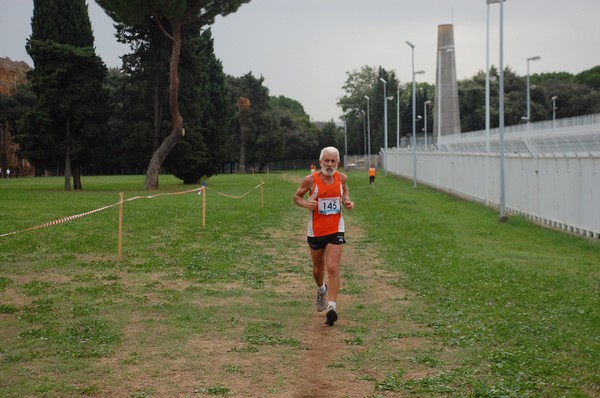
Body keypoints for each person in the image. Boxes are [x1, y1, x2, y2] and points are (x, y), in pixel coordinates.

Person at [293, 146, 355, 326]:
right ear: (320, 162)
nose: (329, 164)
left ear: (338, 163)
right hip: (316, 231)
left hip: (336, 228)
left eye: (333, 161)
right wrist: (306, 204)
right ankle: (321, 290)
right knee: (318, 270)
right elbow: (296, 197)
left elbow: (345, 190)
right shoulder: (310, 180)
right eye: (326, 161)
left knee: (333, 266)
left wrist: (346, 202)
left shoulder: (342, 178)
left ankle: (332, 307)